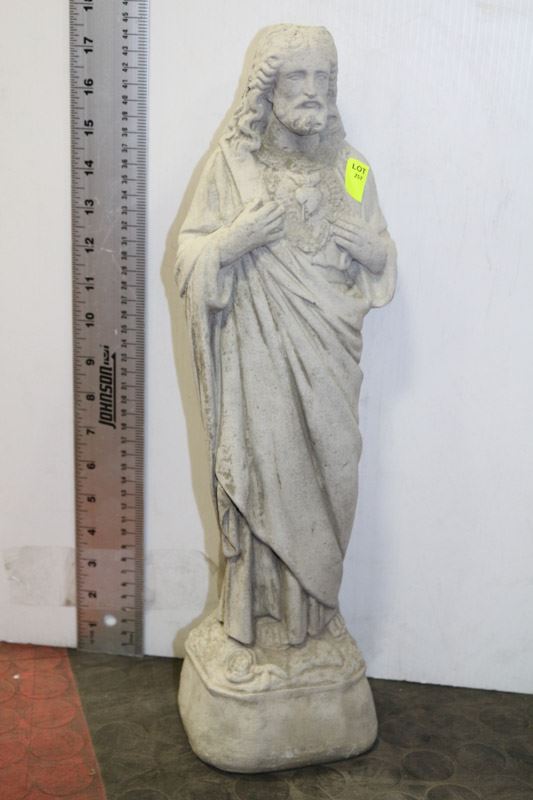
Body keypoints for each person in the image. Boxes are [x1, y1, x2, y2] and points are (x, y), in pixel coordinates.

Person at [176, 24, 396, 648]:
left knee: (335, 474)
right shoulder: (233, 167)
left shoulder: (353, 169)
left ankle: (314, 624)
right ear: (267, 87)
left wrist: (373, 250)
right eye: (297, 75)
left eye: (323, 76)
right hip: (260, 365)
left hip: (331, 360)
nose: (311, 89)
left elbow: (382, 251)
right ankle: (259, 624)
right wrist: (234, 240)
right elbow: (189, 258)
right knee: (263, 475)